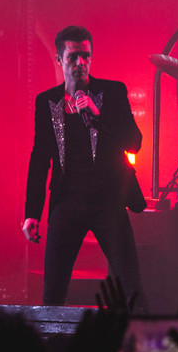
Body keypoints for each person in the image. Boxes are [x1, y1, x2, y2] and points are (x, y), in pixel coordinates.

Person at [22, 25, 148, 309]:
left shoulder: (112, 92)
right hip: (67, 202)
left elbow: (134, 142)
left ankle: (141, 337)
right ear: (59, 59)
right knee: (53, 290)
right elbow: (39, 158)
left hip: (108, 200)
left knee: (131, 285)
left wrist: (98, 115)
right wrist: (32, 212)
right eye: (73, 57)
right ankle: (51, 338)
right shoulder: (47, 102)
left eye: (86, 56)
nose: (80, 62)